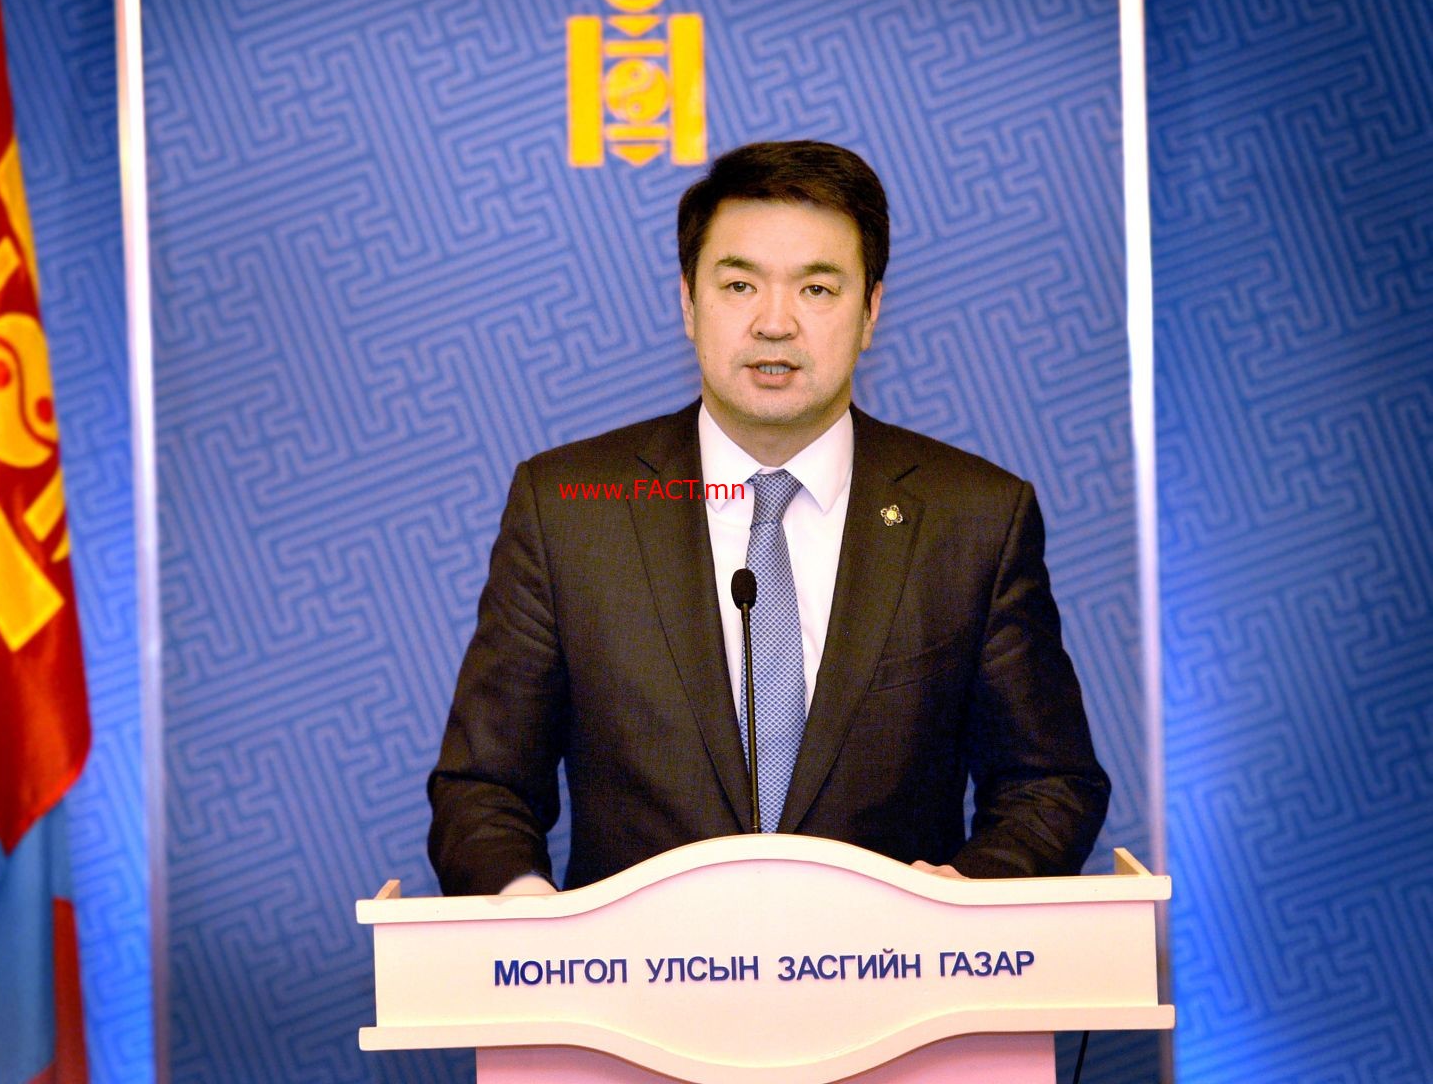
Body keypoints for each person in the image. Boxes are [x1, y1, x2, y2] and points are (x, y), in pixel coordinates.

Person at [428, 140, 1109, 897]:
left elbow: (1050, 785)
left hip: (889, 965)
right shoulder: (568, 511)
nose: (774, 323)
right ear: (688, 303)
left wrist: (954, 899)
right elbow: (481, 789)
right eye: (739, 285)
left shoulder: (974, 518)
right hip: (635, 968)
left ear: (870, 312)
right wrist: (531, 913)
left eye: (816, 289)